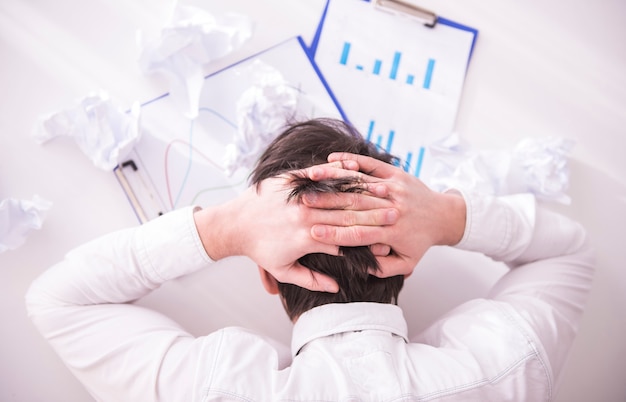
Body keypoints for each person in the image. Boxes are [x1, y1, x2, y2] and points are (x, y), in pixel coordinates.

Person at [26, 118, 595, 401]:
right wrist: (447, 217)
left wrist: (223, 229)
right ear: (408, 261)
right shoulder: (503, 366)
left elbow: (57, 299)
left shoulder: (215, 386)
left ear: (269, 279)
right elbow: (570, 250)